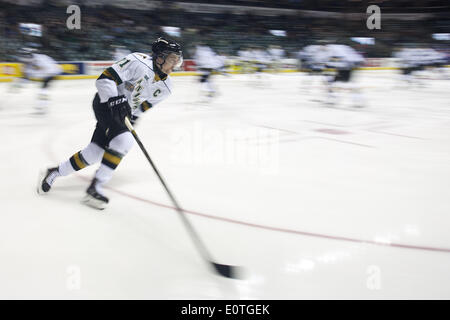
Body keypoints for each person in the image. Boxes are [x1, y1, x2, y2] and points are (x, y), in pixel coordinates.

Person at [37, 37, 183, 210]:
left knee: (94, 153)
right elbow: (104, 79)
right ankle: (95, 189)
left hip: (122, 113)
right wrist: (115, 99)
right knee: (124, 141)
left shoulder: (167, 88)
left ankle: (54, 172)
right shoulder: (137, 61)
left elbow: (142, 107)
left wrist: (130, 119)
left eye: (178, 60)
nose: (176, 64)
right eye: (173, 59)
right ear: (160, 57)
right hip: (105, 103)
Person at [12, 47, 62, 114]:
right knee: (42, 89)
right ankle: (42, 106)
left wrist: (30, 77)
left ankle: (42, 107)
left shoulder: (41, 59)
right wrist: (20, 83)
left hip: (53, 72)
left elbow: (50, 71)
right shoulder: (29, 60)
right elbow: (26, 74)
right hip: (45, 72)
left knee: (43, 90)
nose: (24, 60)